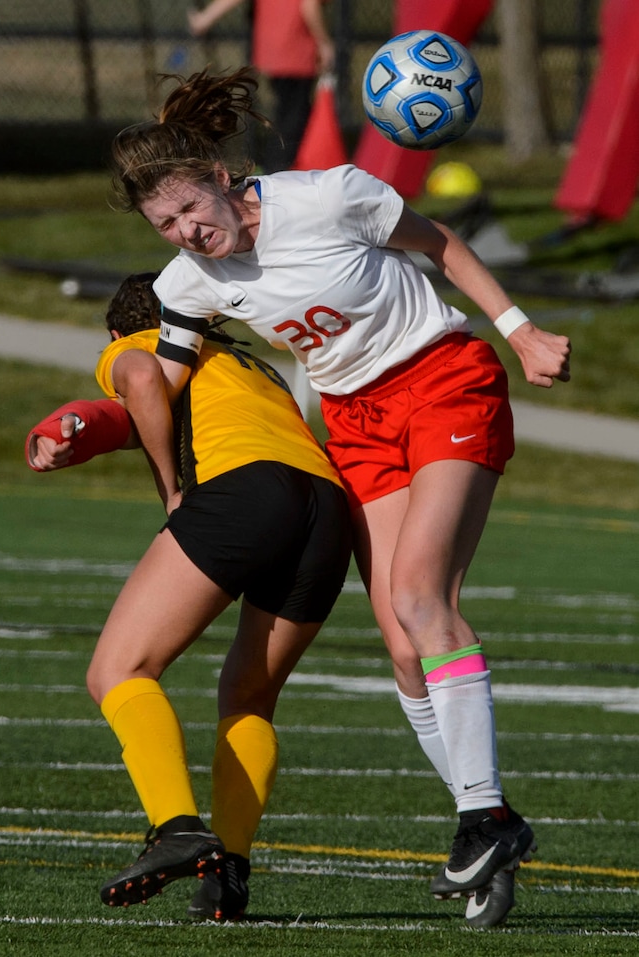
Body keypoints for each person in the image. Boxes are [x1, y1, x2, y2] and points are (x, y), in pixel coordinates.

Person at [105, 67, 572, 928]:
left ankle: (485, 817)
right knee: (402, 643)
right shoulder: (186, 282)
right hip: (355, 423)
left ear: (220, 176)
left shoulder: (329, 196)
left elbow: (442, 247)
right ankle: (485, 823)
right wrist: (94, 422)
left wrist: (522, 332)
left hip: (443, 380)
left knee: (422, 597)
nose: (185, 233)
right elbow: (157, 381)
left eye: (189, 210)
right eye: (164, 226)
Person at [26, 273, 352, 920]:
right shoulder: (244, 360)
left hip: (244, 493)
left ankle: (176, 826)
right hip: (327, 506)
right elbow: (138, 418)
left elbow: (142, 382)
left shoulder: (135, 344)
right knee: (250, 695)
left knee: (118, 669)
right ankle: (227, 871)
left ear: (116, 330)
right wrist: (79, 433)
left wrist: (172, 492)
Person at [187, 0, 335, 171]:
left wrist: (206, 17)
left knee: (288, 116)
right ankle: (278, 173)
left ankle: (277, 170)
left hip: (272, 51)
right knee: (293, 121)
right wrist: (324, 43)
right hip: (295, 53)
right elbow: (309, 7)